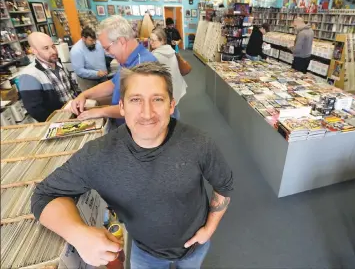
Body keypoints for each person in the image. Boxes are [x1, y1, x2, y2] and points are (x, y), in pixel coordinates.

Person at [31, 62, 233, 269]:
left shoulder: (199, 143)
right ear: (121, 107)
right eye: (136, 100)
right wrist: (78, 234)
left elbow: (224, 185)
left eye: (157, 99)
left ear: (171, 105)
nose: (147, 113)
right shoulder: (98, 154)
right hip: (144, 252)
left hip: (195, 248)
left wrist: (209, 229)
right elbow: (44, 195)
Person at [70, 15, 157, 125]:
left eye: (107, 48)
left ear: (121, 41)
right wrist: (84, 95)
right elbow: (113, 84)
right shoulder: (127, 60)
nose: (108, 53)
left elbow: (134, 108)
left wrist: (100, 112)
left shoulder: (143, 65)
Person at [18, 32, 78, 122]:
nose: (53, 51)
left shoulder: (59, 64)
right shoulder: (29, 75)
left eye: (53, 46)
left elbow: (70, 91)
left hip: (74, 114)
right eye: (46, 48)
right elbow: (35, 109)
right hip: (58, 122)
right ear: (34, 51)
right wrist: (57, 122)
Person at [150, 28, 187, 120]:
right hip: (175, 86)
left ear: (162, 40)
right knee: (174, 108)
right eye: (150, 39)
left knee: (169, 113)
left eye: (153, 40)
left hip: (167, 89)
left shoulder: (156, 55)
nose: (150, 43)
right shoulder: (170, 50)